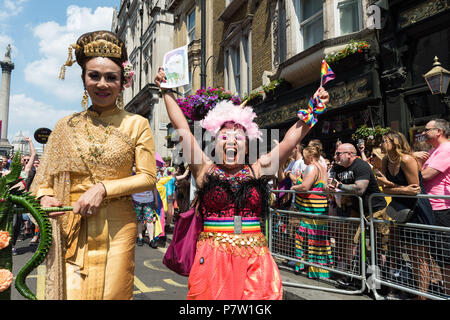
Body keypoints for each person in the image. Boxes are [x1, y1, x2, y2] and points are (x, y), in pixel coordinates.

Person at [155, 67, 329, 300]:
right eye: (224, 137)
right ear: (214, 144)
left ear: (247, 146)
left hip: (255, 258)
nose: (231, 141)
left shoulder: (257, 169)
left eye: (238, 137)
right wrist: (166, 91)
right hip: (213, 258)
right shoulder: (205, 169)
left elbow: (290, 139)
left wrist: (314, 108)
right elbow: (183, 128)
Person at [30, 30, 156, 300]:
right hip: (70, 223)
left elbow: (147, 177)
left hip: (119, 225)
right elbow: (42, 182)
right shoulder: (66, 126)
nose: (102, 84)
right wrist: (45, 197)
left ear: (123, 82)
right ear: (83, 79)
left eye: (111, 78)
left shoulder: (137, 124)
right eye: (94, 76)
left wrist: (103, 188)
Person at [377, 130, 435, 299]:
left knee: (420, 254)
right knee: (410, 251)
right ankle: (415, 291)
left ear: (395, 143)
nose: (380, 144)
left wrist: (392, 187)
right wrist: (396, 188)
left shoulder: (407, 160)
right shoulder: (386, 160)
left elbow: (414, 190)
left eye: (384, 141)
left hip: (417, 209)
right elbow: (386, 189)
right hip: (400, 209)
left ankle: (422, 296)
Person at [327, 143, 389, 286]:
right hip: (357, 210)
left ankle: (377, 284)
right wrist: (329, 186)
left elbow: (360, 189)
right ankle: (357, 279)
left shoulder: (361, 165)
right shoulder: (336, 167)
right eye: (336, 153)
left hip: (376, 209)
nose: (335, 156)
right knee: (355, 244)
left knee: (377, 247)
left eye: (338, 153)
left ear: (350, 154)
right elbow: (327, 185)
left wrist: (339, 186)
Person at [291, 146, 333, 279]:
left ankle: (308, 268)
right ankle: (318, 270)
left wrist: (294, 186)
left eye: (304, 157)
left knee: (304, 238)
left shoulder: (312, 167)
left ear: (310, 157)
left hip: (311, 210)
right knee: (317, 240)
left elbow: (305, 186)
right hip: (320, 209)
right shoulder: (322, 167)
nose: (303, 160)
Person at [420, 119, 450, 296]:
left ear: (439, 131)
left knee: (445, 253)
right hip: (432, 206)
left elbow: (427, 175)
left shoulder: (446, 149)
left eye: (427, 130)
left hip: (442, 207)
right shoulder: (434, 151)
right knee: (438, 252)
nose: (423, 133)